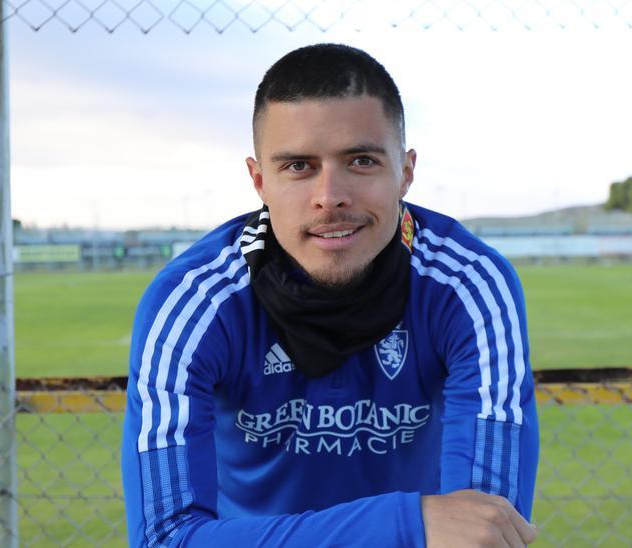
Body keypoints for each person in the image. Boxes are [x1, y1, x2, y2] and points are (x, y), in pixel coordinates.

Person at [122, 43, 538, 547]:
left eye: (360, 160)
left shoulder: (469, 286)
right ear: (259, 181)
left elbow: (483, 530)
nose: (330, 196)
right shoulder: (193, 303)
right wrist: (406, 523)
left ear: (405, 171)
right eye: (298, 166)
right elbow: (164, 538)